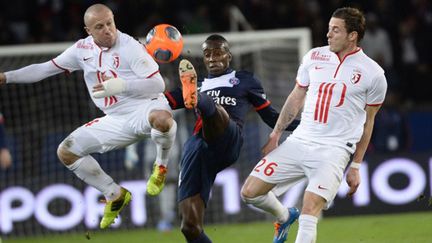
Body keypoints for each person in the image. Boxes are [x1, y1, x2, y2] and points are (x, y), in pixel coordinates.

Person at [0, 3, 177, 229]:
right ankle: (114, 193)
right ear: (88, 31)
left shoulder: (130, 47)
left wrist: (122, 86)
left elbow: (157, 84)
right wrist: (6, 77)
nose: (108, 30)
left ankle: (161, 166)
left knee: (163, 120)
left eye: (110, 23)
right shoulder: (81, 50)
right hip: (115, 119)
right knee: (66, 152)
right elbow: (44, 69)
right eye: (100, 26)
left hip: (145, 108)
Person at [241, 7, 387, 243]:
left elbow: (368, 122)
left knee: (310, 208)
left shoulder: (373, 74)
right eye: (329, 28)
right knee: (249, 192)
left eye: (335, 30)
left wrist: (356, 166)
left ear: (352, 35)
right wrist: (276, 133)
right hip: (299, 141)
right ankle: (285, 216)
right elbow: (296, 96)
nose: (328, 34)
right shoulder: (314, 57)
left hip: (334, 150)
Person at [164, 34, 298, 243]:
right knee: (189, 227)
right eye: (207, 54)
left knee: (209, 105)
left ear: (229, 56)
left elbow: (272, 117)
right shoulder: (197, 82)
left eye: (218, 52)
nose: (212, 58)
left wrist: (307, 126)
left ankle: (199, 101)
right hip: (198, 149)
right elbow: (159, 102)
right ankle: (198, 100)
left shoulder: (245, 80)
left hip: (229, 138)